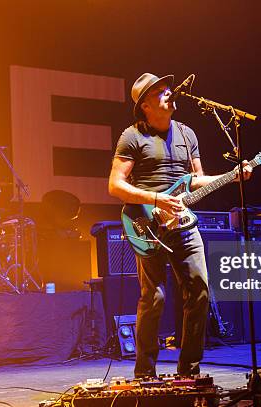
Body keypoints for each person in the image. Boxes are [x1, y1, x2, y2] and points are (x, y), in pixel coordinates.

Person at [108, 73, 252, 377]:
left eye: (168, 89)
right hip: (147, 223)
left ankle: (189, 370)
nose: (169, 93)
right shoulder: (132, 136)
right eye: (160, 91)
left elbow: (196, 179)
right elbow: (115, 186)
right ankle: (145, 372)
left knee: (199, 289)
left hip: (184, 223)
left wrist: (231, 175)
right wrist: (156, 199)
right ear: (145, 104)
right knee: (154, 296)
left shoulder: (187, 134)